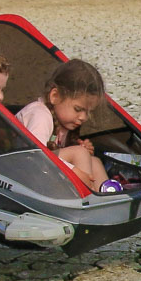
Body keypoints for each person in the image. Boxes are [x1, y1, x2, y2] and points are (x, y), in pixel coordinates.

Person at [16, 59, 111, 189]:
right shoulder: (40, 115)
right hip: (20, 173)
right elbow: (35, 154)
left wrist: (79, 148)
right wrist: (74, 169)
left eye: (89, 112)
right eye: (78, 109)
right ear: (55, 96)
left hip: (37, 171)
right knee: (79, 153)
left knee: (94, 161)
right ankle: (87, 199)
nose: (83, 117)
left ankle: (105, 198)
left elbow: (54, 151)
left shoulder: (62, 122)